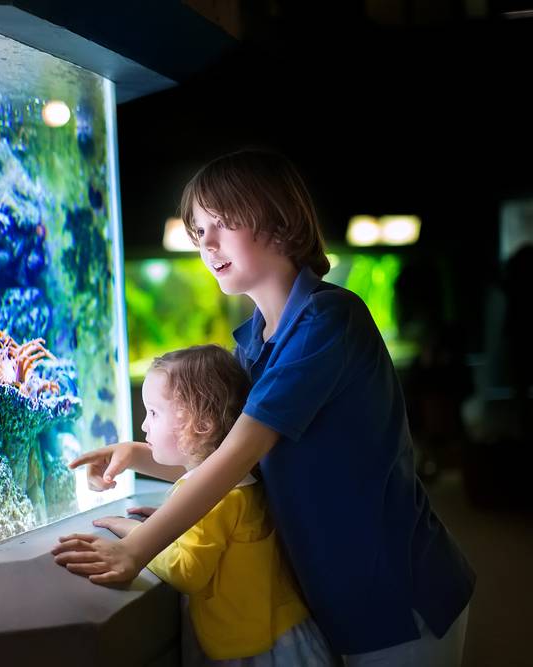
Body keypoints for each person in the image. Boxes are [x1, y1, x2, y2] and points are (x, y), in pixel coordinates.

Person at [53, 149, 475, 665]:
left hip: (399, 592)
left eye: (222, 222)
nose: (206, 243)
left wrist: (137, 550)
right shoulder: (253, 343)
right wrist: (136, 456)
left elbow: (237, 456)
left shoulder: (327, 320)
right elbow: (232, 463)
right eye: (199, 230)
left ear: (278, 219)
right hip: (331, 595)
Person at [93, 344, 337, 665]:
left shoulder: (215, 496)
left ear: (201, 424)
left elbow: (187, 571)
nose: (144, 425)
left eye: (154, 413)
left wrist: (133, 531)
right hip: (282, 632)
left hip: (257, 651)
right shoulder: (242, 479)